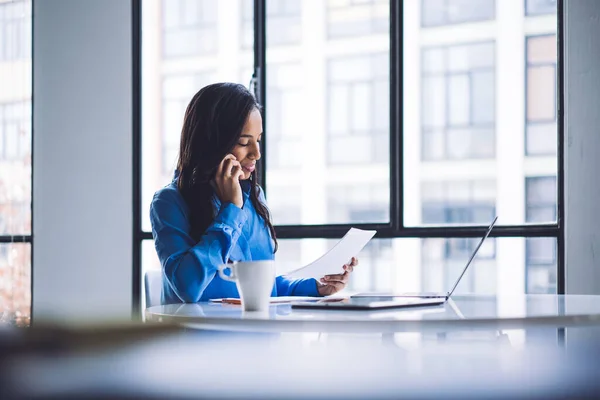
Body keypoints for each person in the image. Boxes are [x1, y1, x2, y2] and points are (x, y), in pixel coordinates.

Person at [150, 82, 358, 304]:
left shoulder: (254, 197)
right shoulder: (169, 202)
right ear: (211, 143)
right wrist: (231, 209)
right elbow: (187, 287)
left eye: (257, 140)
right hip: (199, 336)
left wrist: (316, 287)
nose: (256, 153)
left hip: (258, 334)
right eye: (243, 142)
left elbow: (263, 289)